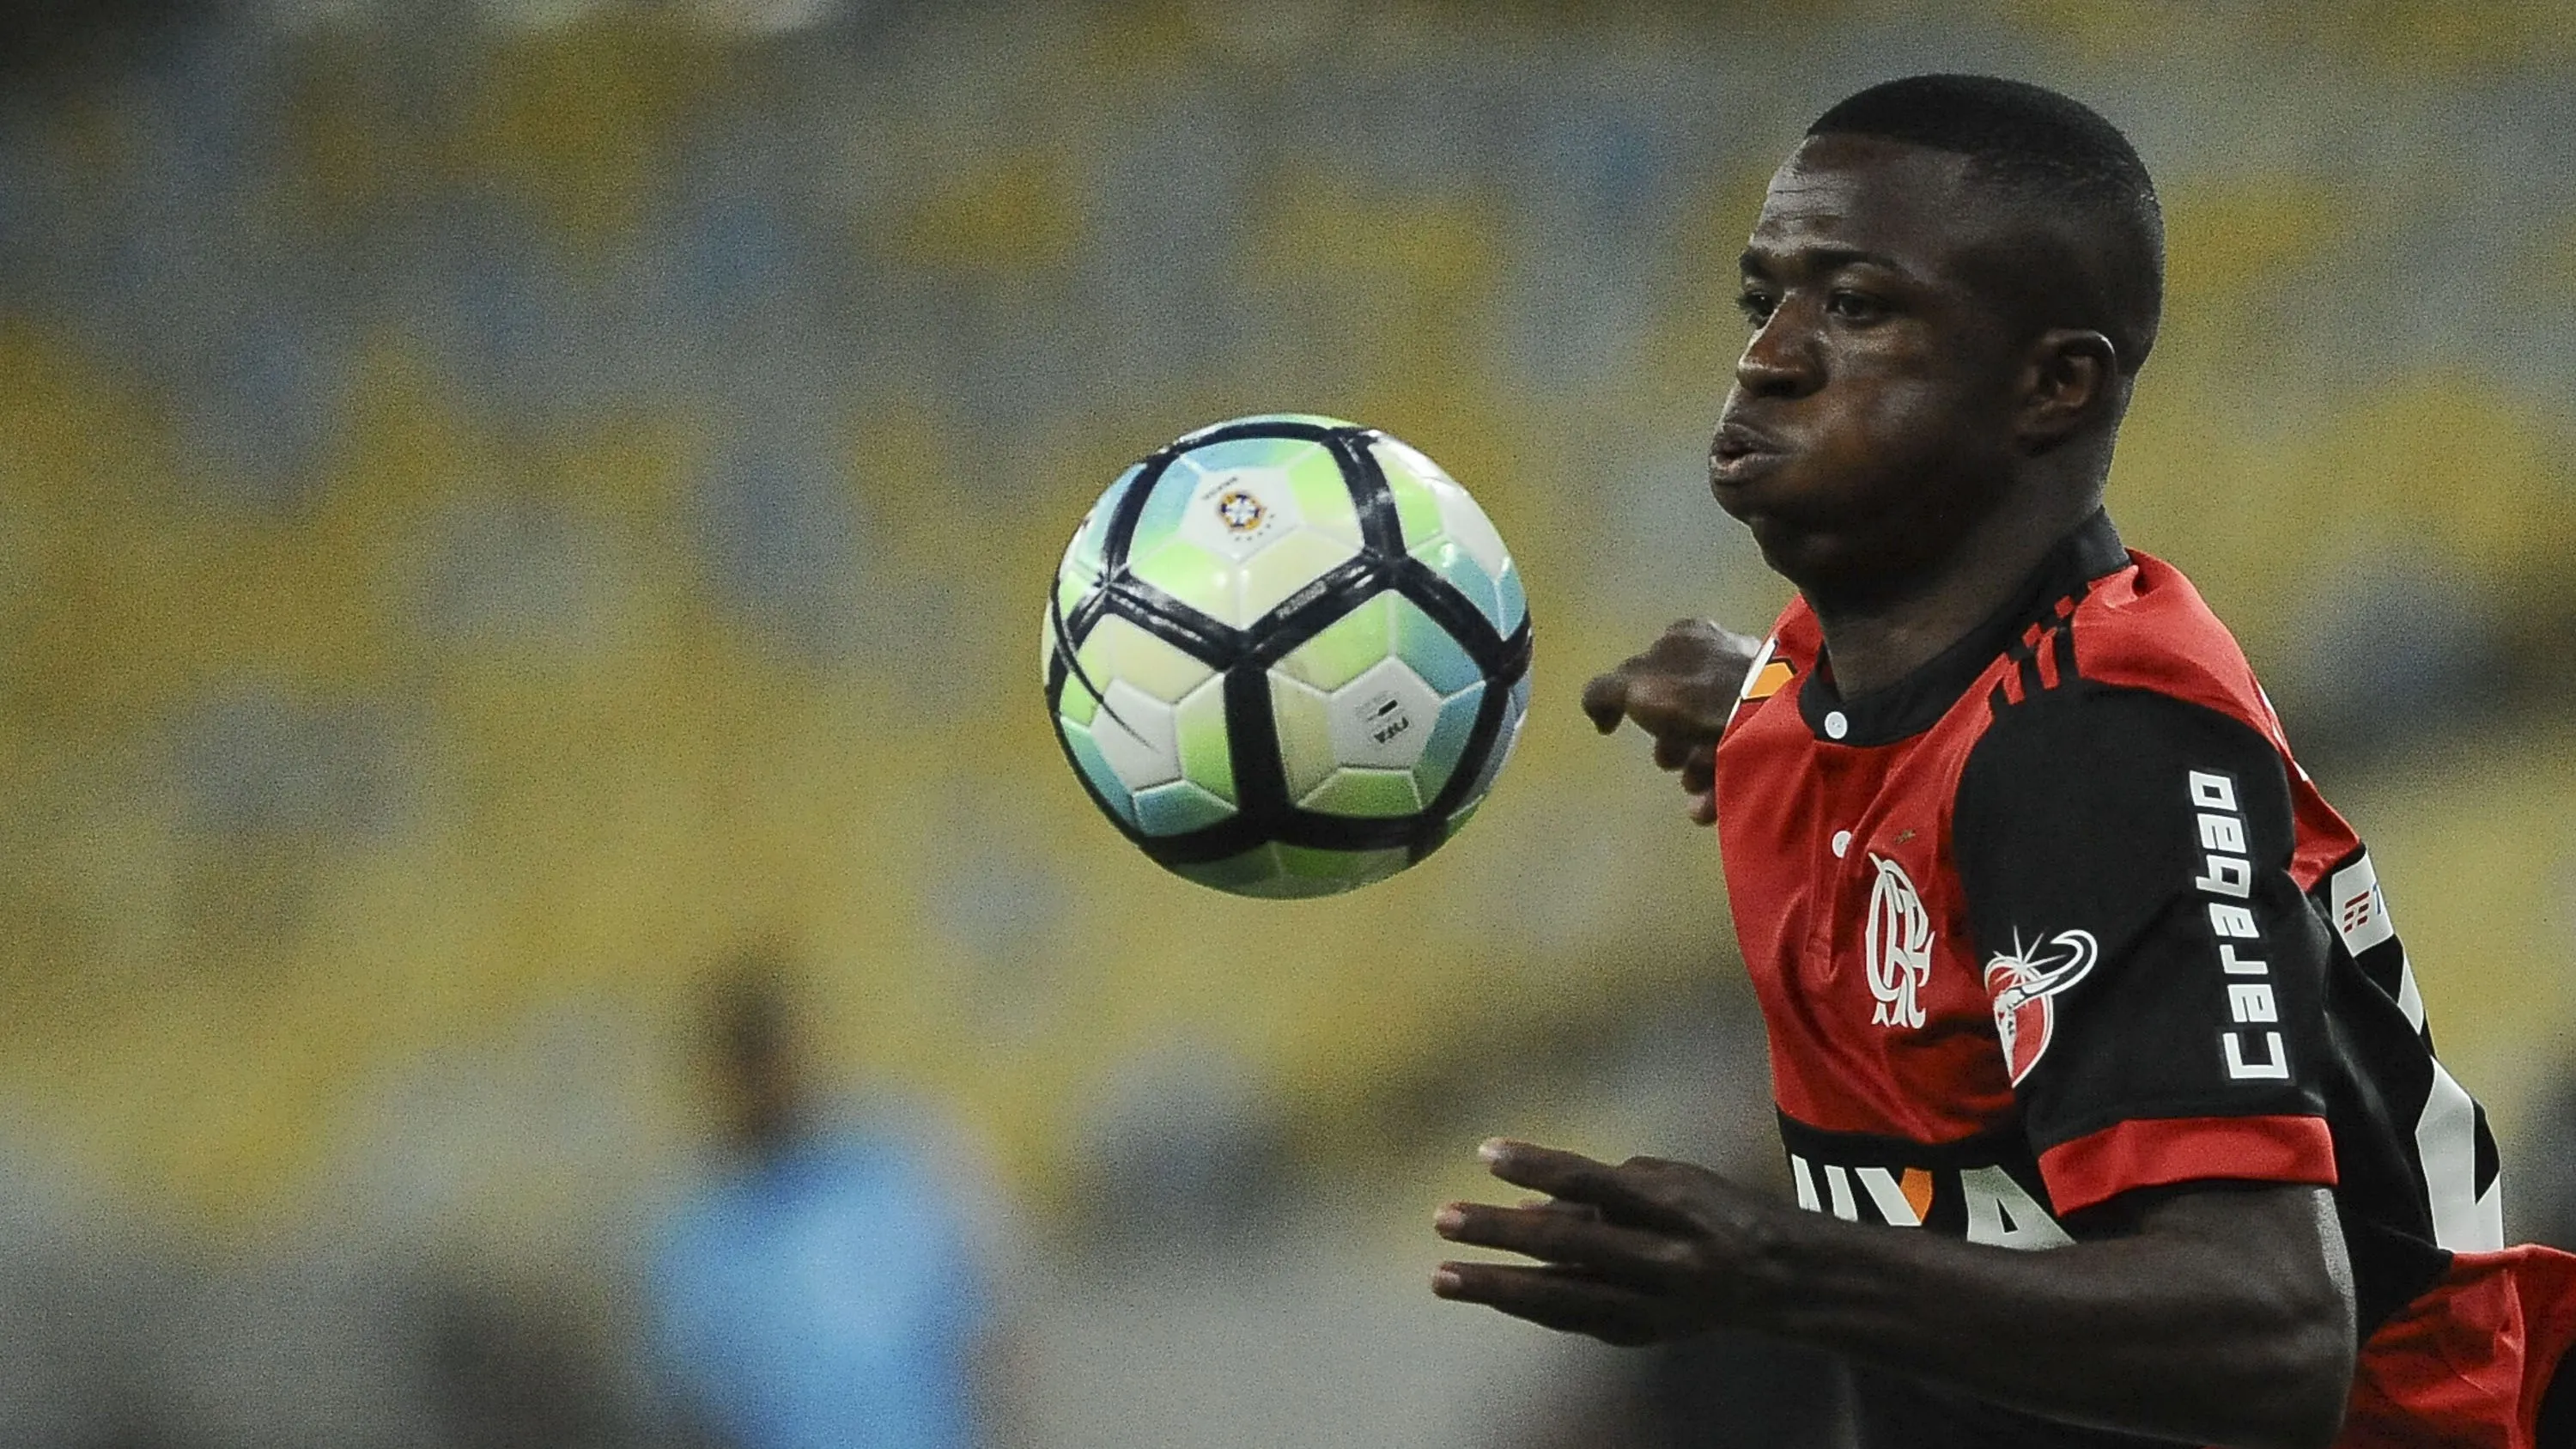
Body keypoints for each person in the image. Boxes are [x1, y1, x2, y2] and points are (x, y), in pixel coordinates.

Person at [1429, 75, 2576, 1449]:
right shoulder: (1859, 687)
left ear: (2055, 384)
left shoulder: (2098, 749)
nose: (1771, 356)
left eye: (1856, 307)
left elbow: (2272, 1329)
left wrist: (1781, 1265)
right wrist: (1761, 706)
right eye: (1763, 301)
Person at [647, 961, 1008, 1449]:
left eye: (774, 1057)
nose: (766, 1082)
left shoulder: (893, 1173)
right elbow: (691, 1411)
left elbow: (988, 1341)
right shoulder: (700, 1239)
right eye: (745, 1067)